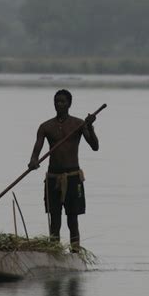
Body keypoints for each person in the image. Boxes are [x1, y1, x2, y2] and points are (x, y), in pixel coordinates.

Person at [28, 89, 99, 251]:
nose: (59, 104)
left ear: (69, 104)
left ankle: (75, 251)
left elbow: (95, 146)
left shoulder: (79, 124)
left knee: (72, 219)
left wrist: (90, 127)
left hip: (73, 177)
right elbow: (37, 149)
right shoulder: (45, 127)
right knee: (55, 219)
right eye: (57, 102)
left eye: (62, 102)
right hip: (53, 178)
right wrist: (33, 161)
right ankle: (54, 251)